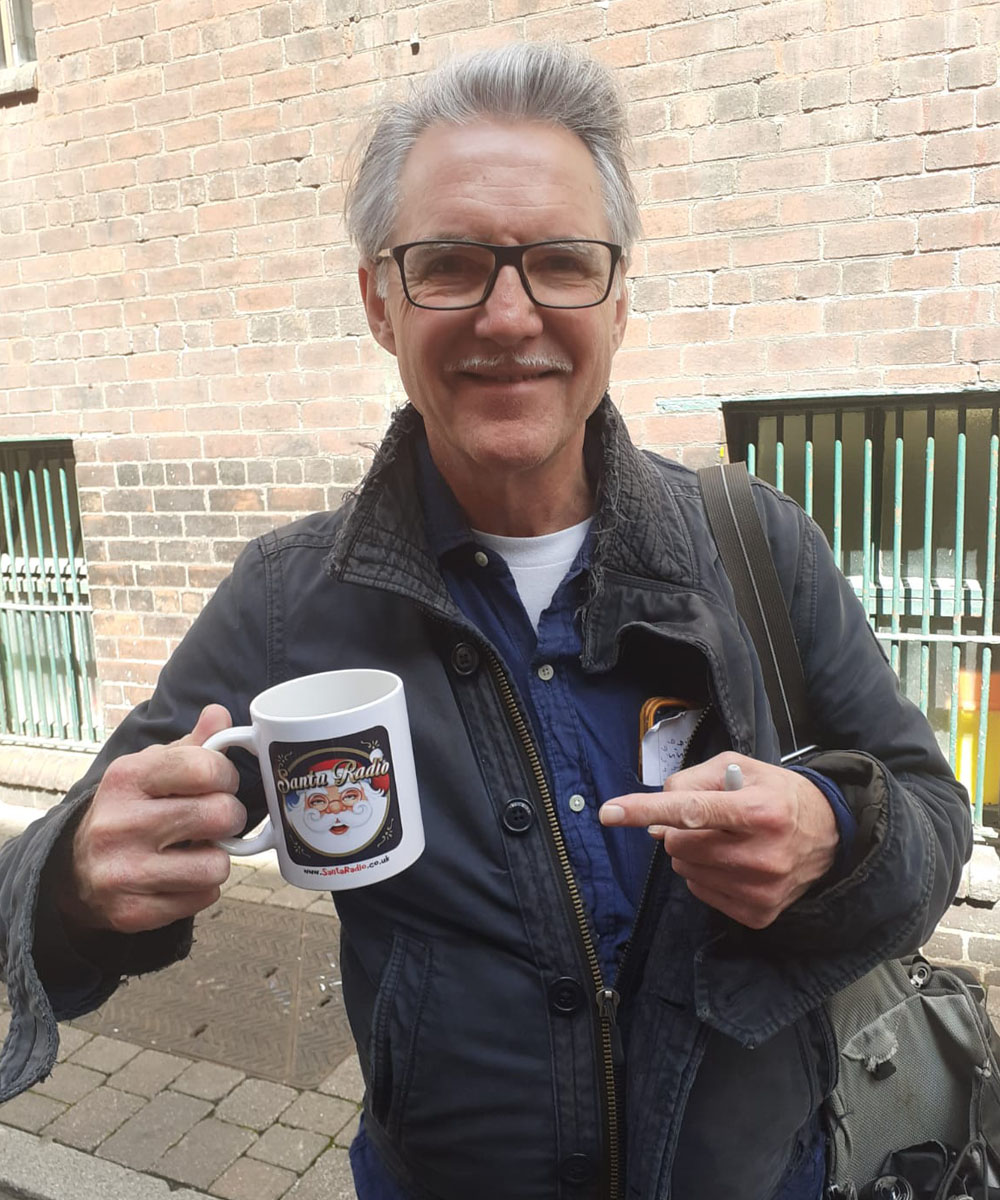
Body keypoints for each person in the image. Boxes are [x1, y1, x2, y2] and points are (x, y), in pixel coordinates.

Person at [0, 41, 972, 1200]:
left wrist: (834, 833)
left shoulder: (754, 543)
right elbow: (54, 885)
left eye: (561, 262)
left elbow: (931, 817)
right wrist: (71, 883)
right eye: (450, 264)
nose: (509, 315)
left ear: (616, 299)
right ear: (379, 301)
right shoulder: (284, 601)